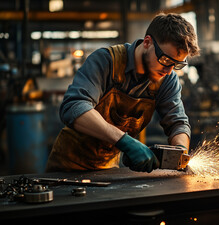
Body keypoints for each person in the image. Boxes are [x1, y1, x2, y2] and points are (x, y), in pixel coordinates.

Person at [46, 13, 200, 173]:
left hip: (108, 170)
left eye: (177, 64)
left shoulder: (167, 80)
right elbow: (74, 107)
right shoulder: (106, 61)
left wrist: (180, 152)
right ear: (147, 42)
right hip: (67, 167)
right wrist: (124, 141)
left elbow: (177, 123)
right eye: (166, 61)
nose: (169, 71)